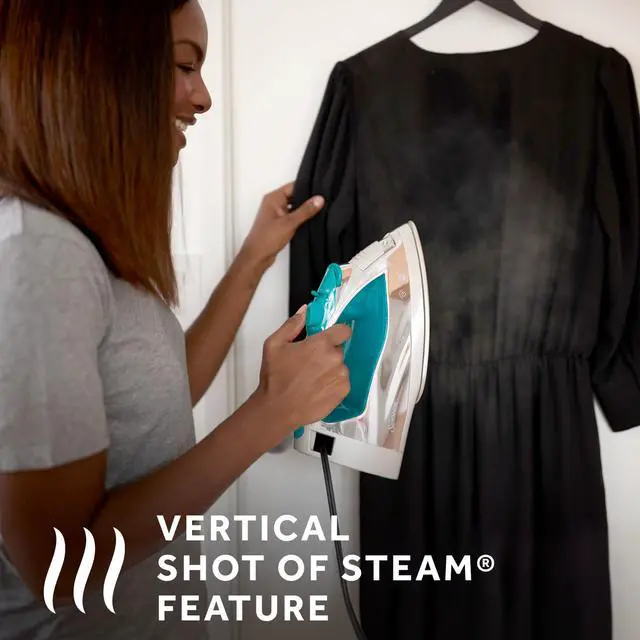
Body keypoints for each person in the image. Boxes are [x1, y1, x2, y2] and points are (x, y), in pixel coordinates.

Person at [0, 1, 351, 638]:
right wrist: (270, 413)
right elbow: (60, 566)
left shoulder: (80, 239)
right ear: (96, 67)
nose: (203, 97)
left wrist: (253, 260)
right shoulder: (37, 253)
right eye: (185, 66)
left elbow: (154, 405)